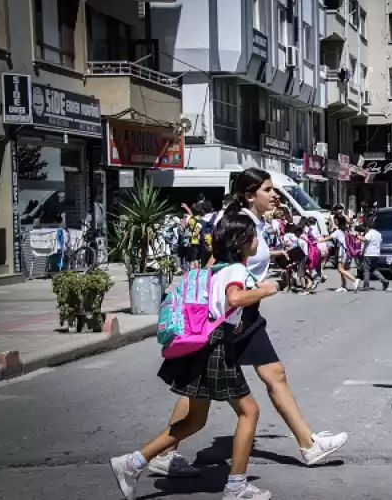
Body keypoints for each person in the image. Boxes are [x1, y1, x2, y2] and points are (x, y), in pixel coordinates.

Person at [151, 169, 347, 476]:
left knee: (267, 376)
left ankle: (308, 444)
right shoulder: (236, 222)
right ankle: (307, 446)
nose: (274, 195)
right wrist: (211, 307)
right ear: (249, 194)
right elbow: (215, 264)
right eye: (268, 190)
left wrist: (277, 259)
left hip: (242, 313)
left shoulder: (253, 221)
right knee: (207, 387)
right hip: (234, 315)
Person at [110, 213, 277, 500]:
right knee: (250, 412)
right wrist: (266, 289)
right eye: (253, 235)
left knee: (194, 421)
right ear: (241, 242)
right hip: (217, 347)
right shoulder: (235, 270)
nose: (257, 241)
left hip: (203, 345)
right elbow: (235, 298)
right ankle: (236, 486)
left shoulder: (216, 268)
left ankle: (133, 462)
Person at [318, 215, 361, 292]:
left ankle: (354, 279)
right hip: (347, 251)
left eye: (335, 220)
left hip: (342, 251)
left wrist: (318, 241)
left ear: (337, 221)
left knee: (340, 269)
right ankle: (343, 286)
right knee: (343, 268)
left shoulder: (338, 231)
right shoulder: (347, 230)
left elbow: (329, 238)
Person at [359, 217, 390, 291]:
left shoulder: (369, 233)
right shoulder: (378, 233)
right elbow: (380, 242)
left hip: (369, 253)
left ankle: (366, 285)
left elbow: (365, 240)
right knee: (373, 269)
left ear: (367, 227)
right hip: (376, 254)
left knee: (366, 269)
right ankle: (384, 281)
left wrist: (357, 237)